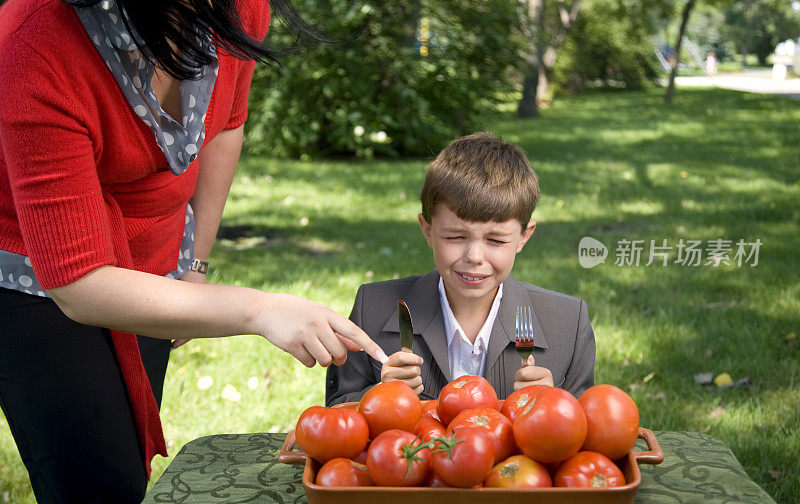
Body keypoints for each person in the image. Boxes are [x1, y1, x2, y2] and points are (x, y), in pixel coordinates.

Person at [0, 0, 387, 502]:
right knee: (98, 482)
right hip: (33, 270)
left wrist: (194, 268)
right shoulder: (33, 42)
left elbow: (226, 123)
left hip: (155, 256)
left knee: (128, 460)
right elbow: (78, 282)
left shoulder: (238, 7)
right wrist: (260, 308)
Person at [326, 132, 595, 406]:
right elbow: (337, 413)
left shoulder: (568, 323)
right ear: (427, 229)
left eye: (496, 240)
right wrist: (381, 397)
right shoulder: (371, 309)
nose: (475, 256)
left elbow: (588, 428)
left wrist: (554, 405)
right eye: (455, 237)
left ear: (524, 237)